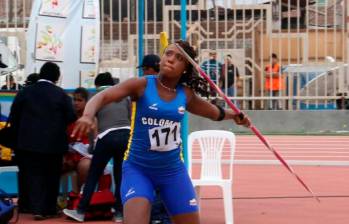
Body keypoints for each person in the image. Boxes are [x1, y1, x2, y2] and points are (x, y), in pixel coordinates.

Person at [69, 40, 250, 224]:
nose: (171, 59)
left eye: (179, 58)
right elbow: (103, 95)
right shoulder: (141, 85)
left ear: (185, 68)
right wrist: (87, 115)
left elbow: (213, 112)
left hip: (173, 172)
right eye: (168, 53)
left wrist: (235, 116)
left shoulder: (185, 94)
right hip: (138, 170)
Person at [10, 62, 76, 220]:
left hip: (27, 144)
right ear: (57, 77)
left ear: (40, 74)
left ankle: (35, 208)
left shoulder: (25, 92)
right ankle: (48, 208)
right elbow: (71, 117)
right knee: (51, 176)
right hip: (53, 144)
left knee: (33, 175)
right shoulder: (61, 95)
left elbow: (14, 116)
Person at [63, 72, 131, 222]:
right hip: (125, 135)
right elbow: (128, 117)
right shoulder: (124, 96)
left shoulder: (98, 97)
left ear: (97, 85)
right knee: (120, 176)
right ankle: (119, 213)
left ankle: (80, 211)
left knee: (93, 174)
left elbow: (93, 125)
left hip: (106, 136)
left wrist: (92, 147)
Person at [62, 87, 92, 192]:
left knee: (85, 166)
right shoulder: (68, 118)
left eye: (79, 100)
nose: (76, 103)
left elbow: (96, 142)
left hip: (85, 155)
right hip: (69, 154)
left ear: (86, 102)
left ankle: (78, 194)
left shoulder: (92, 119)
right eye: (74, 100)